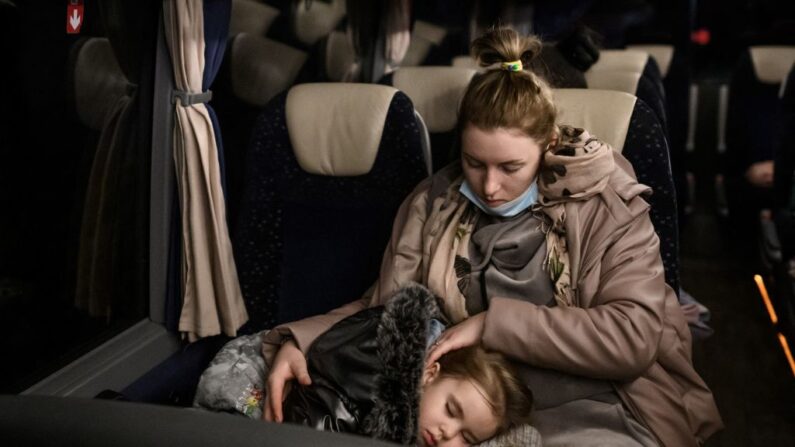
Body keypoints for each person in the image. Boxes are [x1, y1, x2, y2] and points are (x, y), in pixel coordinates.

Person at [262, 28, 723, 446]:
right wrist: (301, 342)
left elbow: (633, 336)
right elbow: (386, 307)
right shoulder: (434, 203)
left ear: (546, 149)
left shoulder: (607, 203)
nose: (488, 186)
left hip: (603, 405)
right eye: (474, 163)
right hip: (471, 415)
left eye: (510, 168)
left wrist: (490, 325)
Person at [195, 284, 538, 447]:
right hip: (276, 391)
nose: (449, 433)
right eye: (451, 409)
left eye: (467, 438)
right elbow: (323, 412)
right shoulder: (379, 364)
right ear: (430, 374)